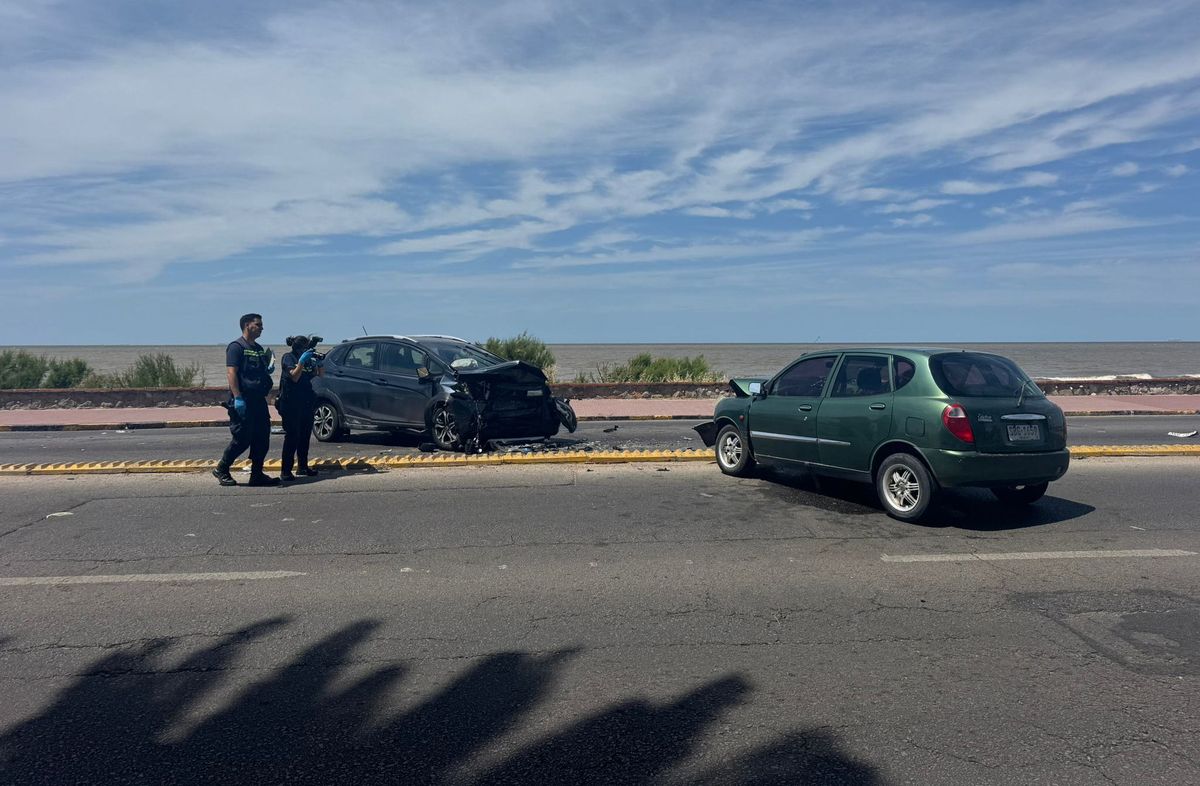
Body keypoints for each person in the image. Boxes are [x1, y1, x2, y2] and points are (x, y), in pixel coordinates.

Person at [213, 313, 278, 487]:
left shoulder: (258, 348)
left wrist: (268, 368)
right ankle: (221, 468)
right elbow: (231, 373)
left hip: (258, 401)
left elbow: (261, 370)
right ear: (247, 325)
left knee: (262, 438)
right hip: (244, 399)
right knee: (242, 438)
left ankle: (257, 474)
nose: (262, 328)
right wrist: (238, 397)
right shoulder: (236, 347)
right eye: (258, 325)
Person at [278, 334, 324, 481]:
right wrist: (301, 362)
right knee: (292, 436)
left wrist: (319, 363)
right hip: (290, 403)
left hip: (306, 402)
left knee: (304, 436)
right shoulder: (288, 358)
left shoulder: (308, 361)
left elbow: (320, 375)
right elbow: (295, 377)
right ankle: (286, 471)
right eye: (305, 349)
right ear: (299, 348)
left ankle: (302, 467)